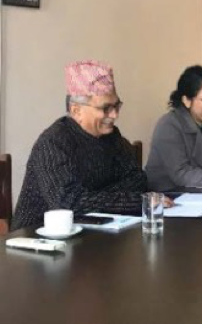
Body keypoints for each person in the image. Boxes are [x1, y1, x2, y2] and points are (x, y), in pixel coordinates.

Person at [11, 61, 147, 230]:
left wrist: (91, 198)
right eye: (106, 108)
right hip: (38, 240)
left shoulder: (112, 137)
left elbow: (138, 179)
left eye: (116, 105)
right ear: (76, 111)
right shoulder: (53, 142)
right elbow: (68, 203)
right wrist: (130, 200)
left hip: (95, 235)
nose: (114, 115)